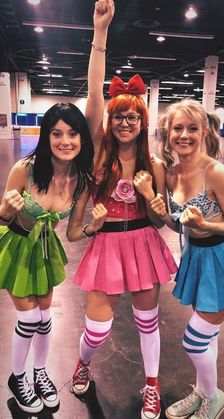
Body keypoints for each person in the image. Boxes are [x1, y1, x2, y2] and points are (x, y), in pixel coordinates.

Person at [66, 1, 177, 419]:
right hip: (107, 245)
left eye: (133, 116)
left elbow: (162, 221)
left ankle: (152, 386)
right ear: (110, 122)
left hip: (144, 243)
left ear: (143, 121)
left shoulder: (157, 165)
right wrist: (100, 32)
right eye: (119, 117)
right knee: (97, 328)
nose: (125, 122)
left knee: (149, 322)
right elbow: (95, 92)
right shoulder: (95, 155)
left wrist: (153, 200)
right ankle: (82, 362)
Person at [145, 99, 224, 419]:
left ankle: (214, 397)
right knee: (208, 336)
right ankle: (203, 392)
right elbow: (178, 224)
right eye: (178, 128)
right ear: (167, 134)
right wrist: (161, 212)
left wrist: (206, 224)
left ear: (205, 131)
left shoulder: (216, 172)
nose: (184, 134)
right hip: (196, 259)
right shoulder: (171, 175)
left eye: (192, 128)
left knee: (195, 341)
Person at [0, 102, 94, 414]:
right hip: (15, 245)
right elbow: (3, 218)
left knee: (44, 319)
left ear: (81, 139)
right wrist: (5, 210)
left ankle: (40, 373)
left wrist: (96, 227)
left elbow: (73, 233)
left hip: (44, 248)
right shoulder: (25, 169)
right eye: (56, 133)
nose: (65, 141)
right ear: (46, 136)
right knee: (28, 319)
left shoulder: (81, 180)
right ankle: (17, 377)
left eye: (72, 133)